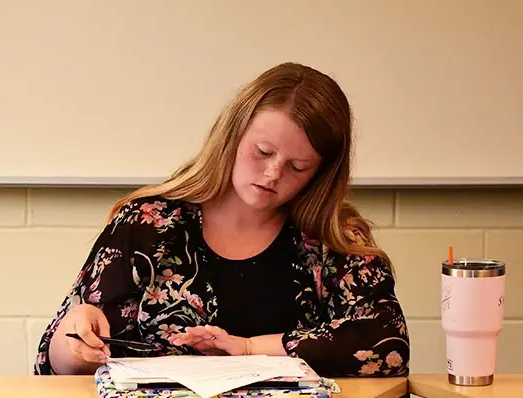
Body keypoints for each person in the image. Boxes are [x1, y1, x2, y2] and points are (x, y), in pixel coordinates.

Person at [33, 62, 410, 378]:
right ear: (231, 136)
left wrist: (249, 348)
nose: (273, 173)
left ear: (321, 173)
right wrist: (74, 334)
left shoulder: (334, 239)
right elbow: (54, 363)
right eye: (262, 152)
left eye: (298, 166)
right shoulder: (148, 225)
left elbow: (385, 342)